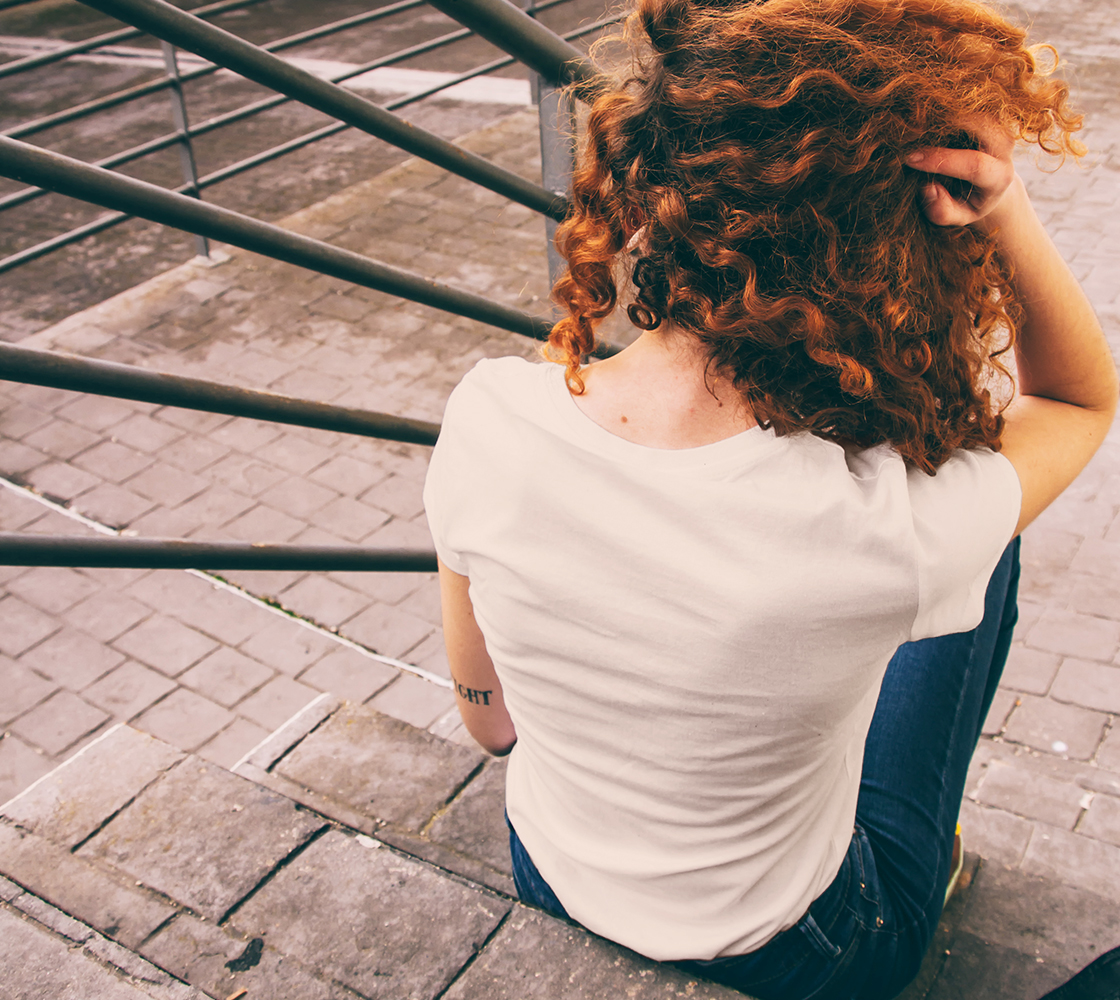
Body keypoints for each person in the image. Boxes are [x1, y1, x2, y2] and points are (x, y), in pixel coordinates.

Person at [422, 0, 1119, 997]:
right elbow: (1075, 400)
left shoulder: (487, 416)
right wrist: (1004, 207)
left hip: (551, 878)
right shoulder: (880, 522)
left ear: (654, 199)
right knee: (982, 531)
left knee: (935, 546)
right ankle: (929, 848)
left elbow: (490, 727)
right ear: (886, 266)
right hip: (808, 955)